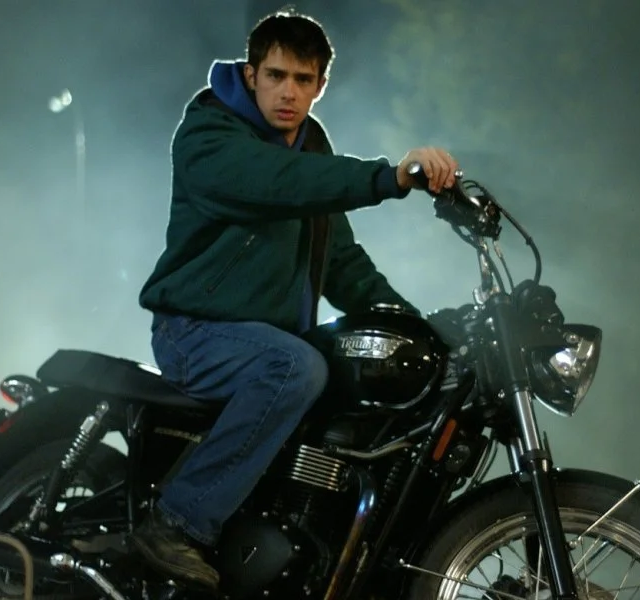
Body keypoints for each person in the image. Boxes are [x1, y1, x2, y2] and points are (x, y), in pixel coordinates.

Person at [133, 10, 459, 591]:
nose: (288, 91)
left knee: (348, 374)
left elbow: (342, 262)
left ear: (320, 85)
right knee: (295, 367)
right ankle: (176, 521)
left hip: (265, 339)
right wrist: (389, 178)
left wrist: (417, 331)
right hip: (194, 331)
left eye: (303, 79)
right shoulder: (209, 134)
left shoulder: (311, 148)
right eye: (276, 75)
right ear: (251, 74)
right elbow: (276, 181)